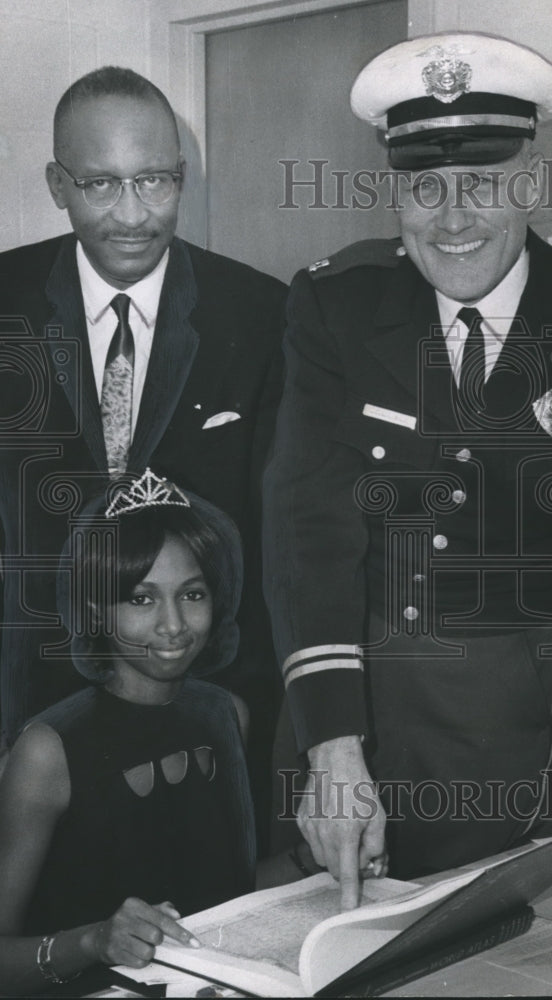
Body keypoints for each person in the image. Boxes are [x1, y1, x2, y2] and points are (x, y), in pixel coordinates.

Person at [264, 32, 552, 908]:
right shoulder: (336, 304)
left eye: (483, 182)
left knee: (467, 937)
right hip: (342, 698)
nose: (452, 217)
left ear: (535, 185)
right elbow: (306, 524)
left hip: (498, 720)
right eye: (423, 186)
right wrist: (332, 746)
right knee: (316, 932)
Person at [0, 66, 286, 850]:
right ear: (57, 183)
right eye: (100, 184)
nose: (132, 214)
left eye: (154, 181)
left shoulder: (261, 313)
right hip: (31, 700)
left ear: (182, 177)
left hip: (200, 701)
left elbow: (276, 537)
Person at [0, 468, 255, 994]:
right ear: (95, 607)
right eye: (141, 598)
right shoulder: (50, 750)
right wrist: (94, 940)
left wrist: (316, 857)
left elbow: (229, 895)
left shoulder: (227, 713)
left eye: (192, 594)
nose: (173, 625)